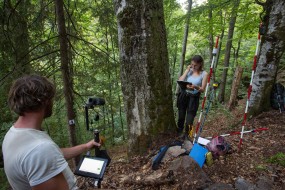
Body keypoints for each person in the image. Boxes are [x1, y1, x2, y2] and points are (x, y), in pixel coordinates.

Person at [2, 74, 101, 190]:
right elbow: (44, 155)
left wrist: (86, 146)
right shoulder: (40, 149)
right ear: (44, 101)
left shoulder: (14, 134)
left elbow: (54, 155)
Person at [177, 55, 208, 139]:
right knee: (181, 117)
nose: (193, 67)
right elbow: (180, 80)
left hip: (194, 98)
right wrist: (187, 70)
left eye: (195, 65)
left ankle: (189, 136)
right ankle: (179, 133)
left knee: (189, 120)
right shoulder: (189, 70)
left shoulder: (204, 74)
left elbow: (202, 89)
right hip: (184, 95)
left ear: (200, 64)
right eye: (192, 65)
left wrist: (195, 87)